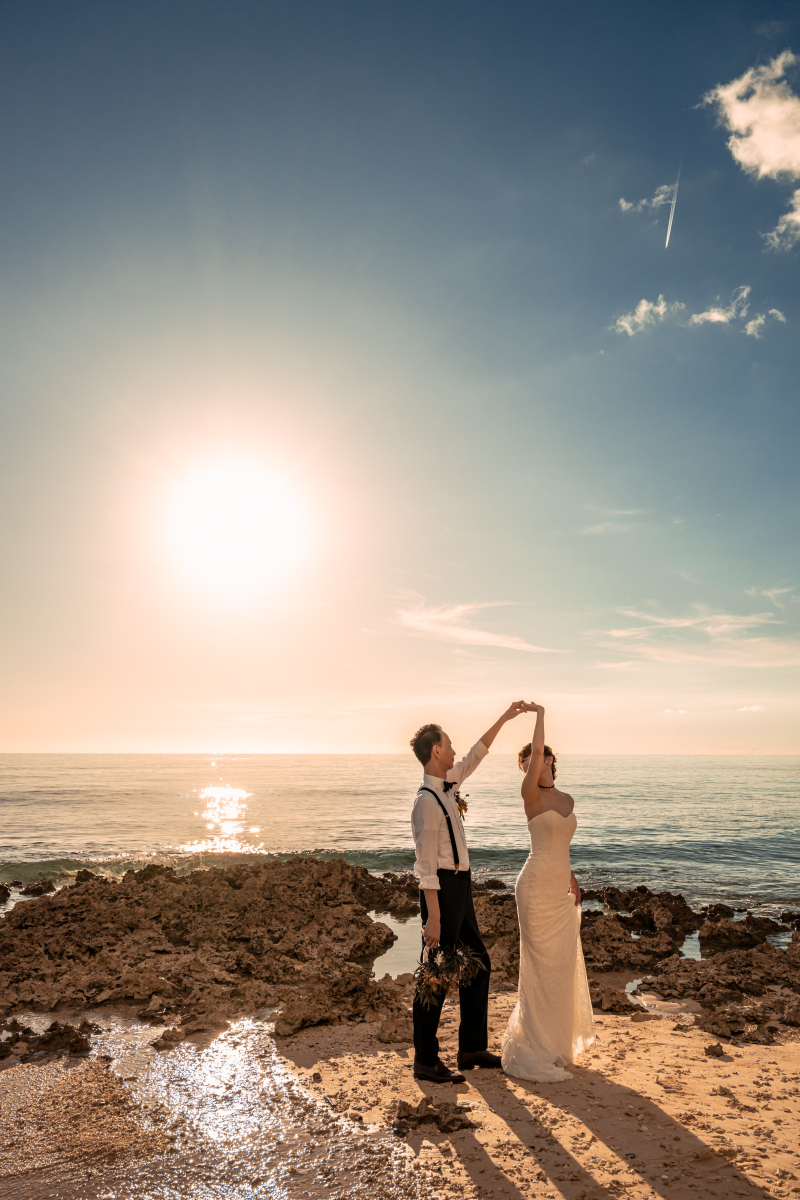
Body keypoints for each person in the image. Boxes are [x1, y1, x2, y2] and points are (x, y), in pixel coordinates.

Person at [409, 701, 534, 1084]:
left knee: (477, 964)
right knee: (435, 974)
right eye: (448, 745)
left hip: (461, 888)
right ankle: (426, 1061)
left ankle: (471, 1049)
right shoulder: (425, 804)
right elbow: (426, 868)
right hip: (442, 892)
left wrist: (505, 718)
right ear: (435, 751)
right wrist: (433, 916)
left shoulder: (448, 786)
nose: (453, 750)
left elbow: (476, 754)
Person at [501, 703, 594, 1082]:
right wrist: (539, 713)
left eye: (539, 758)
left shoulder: (567, 800)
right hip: (535, 888)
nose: (534, 763)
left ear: (551, 762)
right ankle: (536, 1043)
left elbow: (562, 846)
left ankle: (558, 1042)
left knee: (562, 964)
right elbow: (536, 749)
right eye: (528, 760)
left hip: (559, 887)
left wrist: (572, 877)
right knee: (538, 965)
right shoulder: (531, 795)